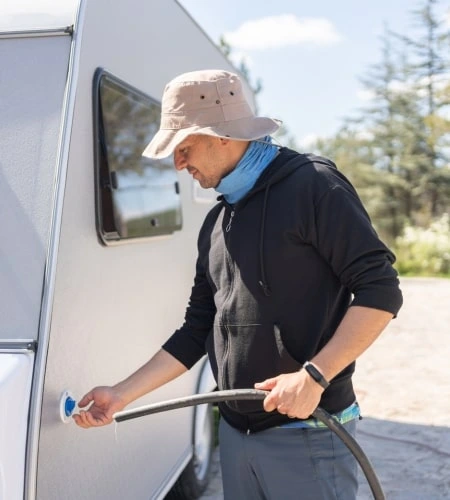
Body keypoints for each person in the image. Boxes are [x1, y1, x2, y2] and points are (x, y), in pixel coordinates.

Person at [74, 69, 403, 499]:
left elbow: (381, 289)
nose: (178, 163)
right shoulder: (216, 221)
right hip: (235, 434)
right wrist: (120, 394)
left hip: (308, 434)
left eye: (184, 147)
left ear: (222, 136)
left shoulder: (313, 186)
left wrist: (314, 377)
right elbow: (195, 331)